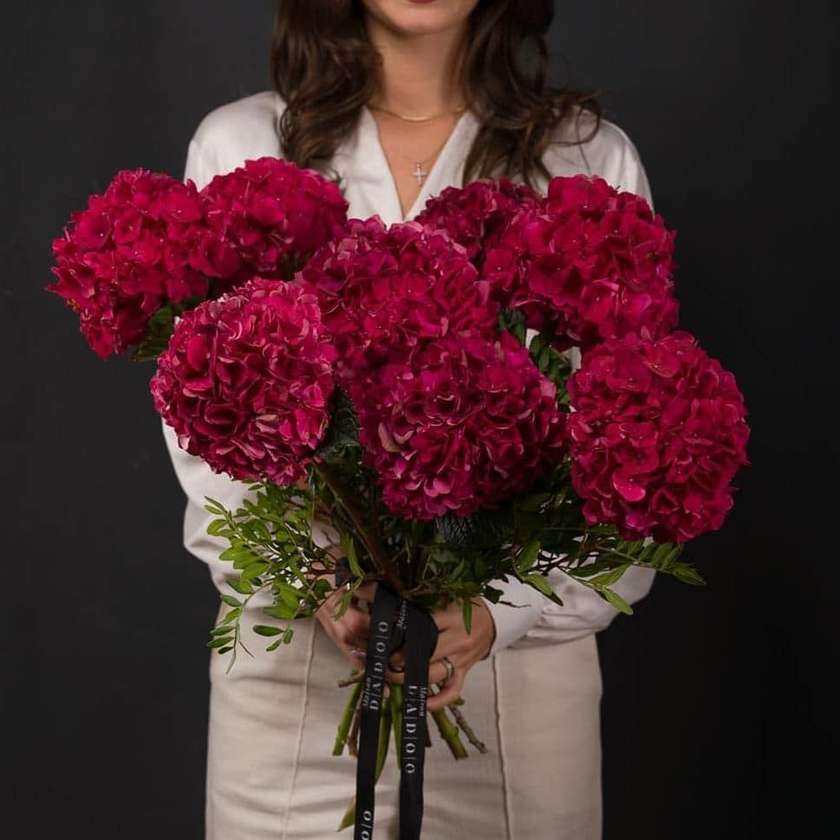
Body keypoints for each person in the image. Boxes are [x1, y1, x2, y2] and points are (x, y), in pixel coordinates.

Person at [163, 1, 656, 837]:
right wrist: (324, 586)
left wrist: (495, 613)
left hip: (516, 698)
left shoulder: (586, 157)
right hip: (293, 685)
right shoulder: (240, 146)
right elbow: (212, 444)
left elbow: (633, 441)